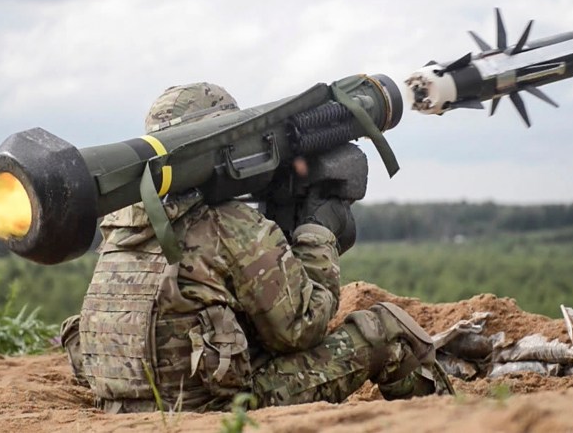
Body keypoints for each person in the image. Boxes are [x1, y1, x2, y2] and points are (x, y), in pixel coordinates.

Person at [60, 82, 452, 414]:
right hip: (213, 411)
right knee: (387, 332)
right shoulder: (227, 224)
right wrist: (317, 232)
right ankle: (451, 417)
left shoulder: (121, 222)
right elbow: (302, 327)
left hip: (123, 407)